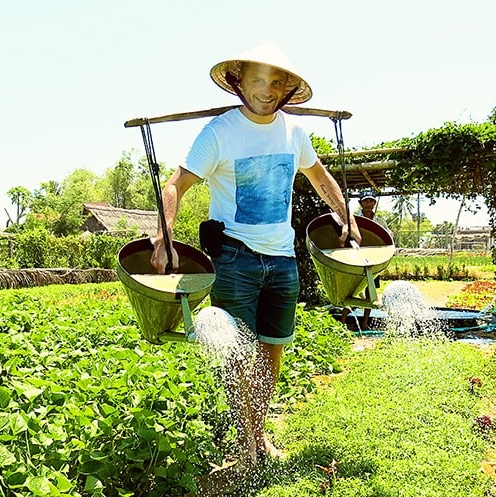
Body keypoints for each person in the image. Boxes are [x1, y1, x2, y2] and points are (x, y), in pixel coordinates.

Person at [150, 43, 362, 470]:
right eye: (259, 80)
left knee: (272, 353)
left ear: (287, 90)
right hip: (235, 259)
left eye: (277, 82)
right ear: (239, 82)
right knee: (239, 354)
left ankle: (256, 432)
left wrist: (347, 217)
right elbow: (174, 184)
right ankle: (248, 444)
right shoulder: (220, 133)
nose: (267, 90)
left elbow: (321, 178)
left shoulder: (294, 134)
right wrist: (163, 234)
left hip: (282, 262)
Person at [340, 190, 390, 331]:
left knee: (370, 294)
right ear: (360, 203)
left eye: (371, 201)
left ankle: (364, 323)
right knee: (353, 292)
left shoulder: (380, 222)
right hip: (356, 262)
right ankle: (342, 322)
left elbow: (387, 241)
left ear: (374, 203)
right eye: (366, 201)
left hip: (373, 262)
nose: (369, 203)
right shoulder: (353, 221)